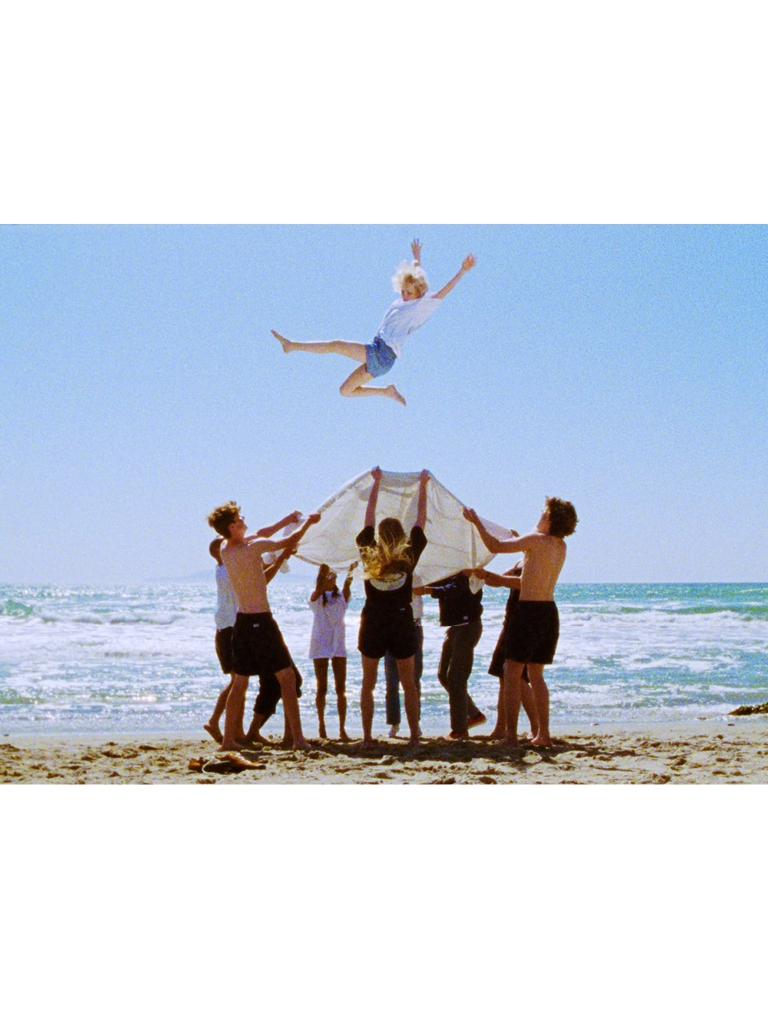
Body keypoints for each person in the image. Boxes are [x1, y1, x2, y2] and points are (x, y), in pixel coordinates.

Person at [272, 239, 476, 406]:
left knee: (336, 345)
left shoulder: (419, 306)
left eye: (409, 292)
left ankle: (292, 346)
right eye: (403, 290)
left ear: (419, 293)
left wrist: (462, 271)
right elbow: (416, 276)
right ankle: (386, 392)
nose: (405, 295)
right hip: (383, 357)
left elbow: (442, 292)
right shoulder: (404, 301)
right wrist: (416, 258)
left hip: (382, 353)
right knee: (345, 391)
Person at [463, 497, 578, 747]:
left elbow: (494, 545)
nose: (538, 516)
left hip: (528, 611)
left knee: (512, 672)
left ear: (548, 520)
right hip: (549, 611)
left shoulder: (536, 540)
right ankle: (543, 734)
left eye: (542, 513)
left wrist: (476, 522)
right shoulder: (560, 546)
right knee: (536, 674)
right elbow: (529, 576)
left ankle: (511, 736)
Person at [207, 501, 321, 751]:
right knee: (287, 678)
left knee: (241, 682)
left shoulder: (227, 548)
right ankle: (299, 740)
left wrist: (286, 518)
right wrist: (307, 523)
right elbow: (285, 542)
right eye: (239, 517)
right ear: (232, 526)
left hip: (242, 623)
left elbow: (263, 533)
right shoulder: (252, 548)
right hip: (260, 621)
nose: (244, 518)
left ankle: (228, 741)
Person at [356, 467, 429, 749]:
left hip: (373, 623)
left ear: (378, 535)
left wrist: (376, 484)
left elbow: (367, 516)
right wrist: (422, 486)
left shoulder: (368, 551)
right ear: (401, 536)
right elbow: (420, 520)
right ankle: (413, 735)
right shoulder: (409, 555)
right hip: (401, 624)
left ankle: (366, 737)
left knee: (368, 683)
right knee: (408, 684)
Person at [470, 563, 539, 741]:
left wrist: (491, 576)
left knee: (518, 678)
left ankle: (535, 727)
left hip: (526, 622)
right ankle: (501, 728)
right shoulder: (521, 560)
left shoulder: (540, 558)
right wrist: (482, 575)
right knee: (504, 676)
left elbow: (522, 583)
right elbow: (499, 581)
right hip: (510, 622)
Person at [422, 572, 488, 739]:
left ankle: (459, 730)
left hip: (467, 626)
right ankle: (474, 715)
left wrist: (427, 590)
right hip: (454, 626)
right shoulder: (452, 568)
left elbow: (454, 589)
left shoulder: (468, 570)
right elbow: (443, 581)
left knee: (456, 677)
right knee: (443, 675)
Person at [309, 562, 356, 741]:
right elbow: (315, 595)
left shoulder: (341, 596)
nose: (333, 578)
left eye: (334, 575)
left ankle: (342, 729)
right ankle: (322, 727)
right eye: (329, 575)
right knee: (322, 687)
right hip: (320, 643)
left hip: (338, 645)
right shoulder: (316, 597)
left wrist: (351, 570)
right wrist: (323, 583)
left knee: (341, 688)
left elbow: (347, 585)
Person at [383, 585, 424, 738]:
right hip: (391, 625)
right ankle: (394, 722)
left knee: (414, 678)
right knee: (391, 678)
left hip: (413, 625)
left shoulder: (416, 574)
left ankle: (415, 722)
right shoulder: (391, 578)